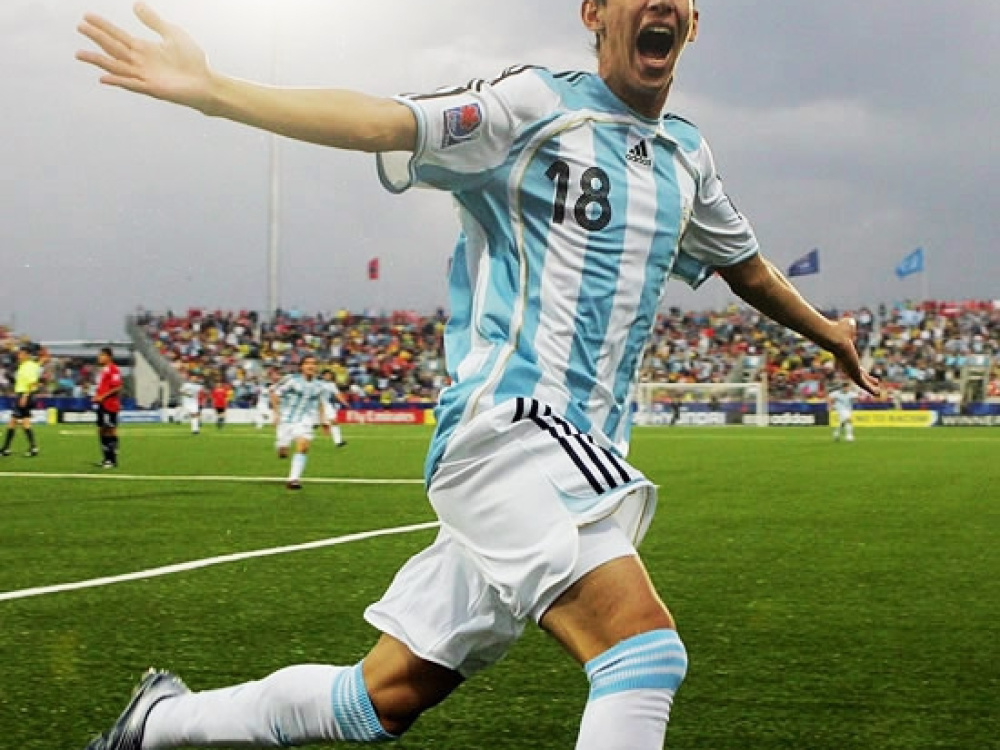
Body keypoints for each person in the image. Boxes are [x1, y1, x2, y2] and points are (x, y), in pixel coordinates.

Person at [76, 2, 880, 749]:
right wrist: (216, 91)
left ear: (695, 22)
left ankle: (162, 722)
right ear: (594, 12)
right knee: (642, 653)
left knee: (378, 699)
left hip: (576, 453)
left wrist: (828, 332)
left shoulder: (686, 157)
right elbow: (386, 121)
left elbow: (746, 266)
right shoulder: (533, 107)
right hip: (511, 430)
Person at [271, 355, 330, 490]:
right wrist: (276, 413)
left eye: (313, 363)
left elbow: (321, 403)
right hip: (286, 419)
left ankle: (293, 479)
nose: (311, 366)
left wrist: (324, 421)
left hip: (305, 420)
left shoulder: (320, 385)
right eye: (307, 363)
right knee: (283, 452)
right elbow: (275, 393)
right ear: (302, 367)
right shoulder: (291, 380)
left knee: (303, 446)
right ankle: (281, 446)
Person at [0, 345, 42, 457]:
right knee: (20, 422)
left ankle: (8, 449)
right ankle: (9, 448)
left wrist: (25, 395)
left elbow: (32, 382)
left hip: (25, 395)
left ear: (27, 354)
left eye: (21, 353)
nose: (19, 355)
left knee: (17, 421)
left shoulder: (29, 366)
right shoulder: (24, 365)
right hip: (23, 394)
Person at [92, 346, 124, 468]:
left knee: (109, 430)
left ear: (108, 357)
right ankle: (107, 457)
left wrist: (102, 396)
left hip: (110, 404)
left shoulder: (114, 369)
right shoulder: (102, 370)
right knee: (101, 430)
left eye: (102, 355)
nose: (99, 357)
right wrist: (97, 396)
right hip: (101, 404)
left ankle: (112, 458)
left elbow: (117, 387)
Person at [320, 369, 348, 448]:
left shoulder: (332, 385)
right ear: (323, 376)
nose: (328, 376)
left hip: (326, 404)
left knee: (334, 421)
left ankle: (338, 442)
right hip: (315, 406)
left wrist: (344, 402)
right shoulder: (317, 383)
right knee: (310, 425)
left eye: (329, 375)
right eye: (326, 375)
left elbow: (337, 394)